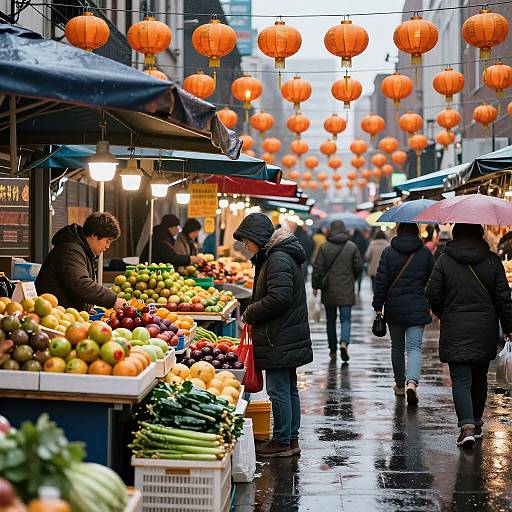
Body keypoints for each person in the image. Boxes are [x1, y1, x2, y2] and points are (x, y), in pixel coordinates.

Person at [426, 223, 512, 448]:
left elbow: (432, 292)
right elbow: (503, 297)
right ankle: (476, 422)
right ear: (480, 233)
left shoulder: (444, 260)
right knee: (479, 377)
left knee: (461, 379)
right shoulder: (492, 260)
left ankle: (467, 428)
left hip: (455, 326)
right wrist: (509, 326)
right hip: (484, 328)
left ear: (455, 234)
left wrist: (443, 310)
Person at [233, 213, 313, 458]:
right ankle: (290, 439)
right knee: (288, 388)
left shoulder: (277, 258)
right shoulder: (276, 255)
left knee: (279, 389)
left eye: (246, 240)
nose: (245, 246)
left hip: (278, 334)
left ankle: (281, 440)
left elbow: (279, 298)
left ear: (258, 237)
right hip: (285, 332)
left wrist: (250, 313)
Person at [372, 223, 434, 406]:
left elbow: (381, 282)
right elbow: (433, 280)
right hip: (417, 307)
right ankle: (412, 383)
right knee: (414, 347)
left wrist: (378, 305)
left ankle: (399, 384)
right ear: (417, 232)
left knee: (397, 347)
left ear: (398, 232)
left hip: (395, 308)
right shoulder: (425, 253)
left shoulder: (388, 252)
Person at [36, 212, 125, 312]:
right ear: (94, 235)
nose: (107, 247)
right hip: (53, 315)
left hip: (66, 315)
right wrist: (113, 300)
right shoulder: (70, 251)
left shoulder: (83, 251)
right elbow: (80, 284)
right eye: (107, 241)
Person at [312, 220, 362, 362]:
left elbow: (317, 269)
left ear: (331, 230)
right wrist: (352, 278)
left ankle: (333, 350)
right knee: (346, 319)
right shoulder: (352, 247)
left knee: (331, 321)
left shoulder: (324, 247)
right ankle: (344, 343)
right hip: (347, 289)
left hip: (329, 290)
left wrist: (315, 286)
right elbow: (358, 267)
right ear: (344, 230)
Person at [351, 229, 369, 293]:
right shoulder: (363, 239)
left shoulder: (352, 238)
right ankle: (359, 286)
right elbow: (366, 247)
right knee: (360, 271)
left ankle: (353, 284)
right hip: (361, 258)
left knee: (353, 272)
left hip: (353, 258)